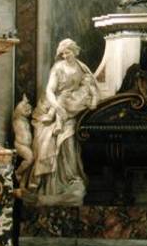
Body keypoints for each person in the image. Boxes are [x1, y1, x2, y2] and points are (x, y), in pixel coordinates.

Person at [29, 39, 100, 205]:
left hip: (72, 107)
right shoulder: (58, 68)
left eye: (67, 52)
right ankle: (53, 187)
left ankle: (71, 179)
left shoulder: (82, 68)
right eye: (62, 53)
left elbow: (91, 87)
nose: (65, 55)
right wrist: (57, 107)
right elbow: (49, 91)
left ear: (74, 51)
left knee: (68, 142)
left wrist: (89, 98)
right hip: (53, 106)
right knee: (49, 141)